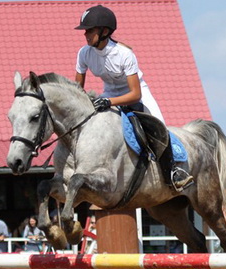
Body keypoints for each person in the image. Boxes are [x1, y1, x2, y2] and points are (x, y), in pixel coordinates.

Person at [73, 4, 193, 191]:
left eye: (90, 30)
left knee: (159, 126)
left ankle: (174, 172)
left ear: (105, 31)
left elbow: (135, 94)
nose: (85, 34)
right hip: (109, 93)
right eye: (85, 30)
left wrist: (109, 102)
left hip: (136, 92)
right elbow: (77, 90)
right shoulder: (84, 54)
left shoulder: (124, 54)